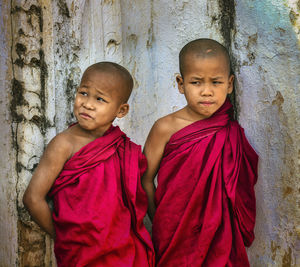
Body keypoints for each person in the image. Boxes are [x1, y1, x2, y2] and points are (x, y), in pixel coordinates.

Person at [23, 62, 155, 267]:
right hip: (80, 249)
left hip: (123, 248)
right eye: (83, 93)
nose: (87, 104)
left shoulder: (124, 149)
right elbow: (33, 198)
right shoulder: (64, 144)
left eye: (100, 99)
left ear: (121, 110)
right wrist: (64, 237)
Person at [142, 39, 258, 267]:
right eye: (196, 82)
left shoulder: (229, 130)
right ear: (180, 83)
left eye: (216, 82)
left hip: (218, 234)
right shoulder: (165, 127)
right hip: (173, 229)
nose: (207, 92)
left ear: (230, 84)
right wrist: (160, 221)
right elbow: (144, 179)